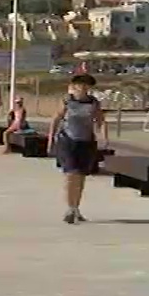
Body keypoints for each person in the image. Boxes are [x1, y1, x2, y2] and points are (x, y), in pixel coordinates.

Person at [48, 74, 107, 224]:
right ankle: (70, 208)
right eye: (81, 84)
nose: (83, 87)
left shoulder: (93, 102)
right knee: (71, 175)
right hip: (68, 140)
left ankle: (76, 207)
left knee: (81, 177)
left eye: (87, 85)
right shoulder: (67, 101)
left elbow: (100, 121)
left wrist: (104, 138)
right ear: (75, 86)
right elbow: (56, 118)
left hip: (86, 142)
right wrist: (51, 139)